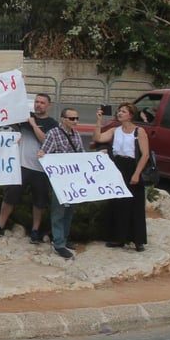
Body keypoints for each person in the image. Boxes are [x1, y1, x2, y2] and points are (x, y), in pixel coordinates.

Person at [0, 93, 57, 244]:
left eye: (42, 103)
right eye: (37, 102)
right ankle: (0, 224)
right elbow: (9, 109)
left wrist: (33, 125)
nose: (38, 105)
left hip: (41, 168)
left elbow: (45, 140)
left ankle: (35, 230)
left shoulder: (52, 123)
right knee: (10, 196)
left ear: (48, 105)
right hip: (21, 166)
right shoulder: (26, 116)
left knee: (39, 201)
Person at [91, 102, 149, 252]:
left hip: (132, 166)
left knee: (135, 203)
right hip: (117, 166)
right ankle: (118, 237)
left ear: (130, 115)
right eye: (119, 111)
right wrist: (99, 120)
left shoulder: (139, 131)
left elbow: (145, 154)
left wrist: (137, 173)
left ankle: (138, 239)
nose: (119, 114)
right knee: (118, 203)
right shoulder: (114, 130)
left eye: (123, 111)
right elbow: (98, 138)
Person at [37, 106, 85, 259]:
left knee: (69, 210)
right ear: (63, 119)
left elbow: (81, 154)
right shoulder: (53, 134)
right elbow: (45, 152)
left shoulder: (76, 135)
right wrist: (42, 154)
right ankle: (58, 243)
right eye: (72, 118)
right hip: (60, 179)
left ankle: (64, 238)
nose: (75, 121)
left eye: (76, 118)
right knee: (59, 211)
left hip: (73, 178)